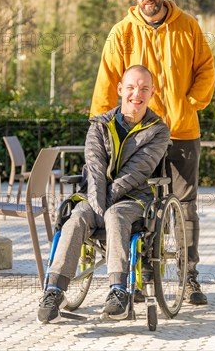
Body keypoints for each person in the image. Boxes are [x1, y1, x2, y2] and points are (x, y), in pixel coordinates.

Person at [90, 0, 215, 306]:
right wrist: (101, 128)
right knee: (141, 204)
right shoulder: (121, 32)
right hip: (139, 136)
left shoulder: (188, 26)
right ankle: (144, 278)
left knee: (185, 207)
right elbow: (107, 82)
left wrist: (193, 101)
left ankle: (189, 279)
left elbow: (206, 67)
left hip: (182, 132)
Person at [37, 65, 170, 324]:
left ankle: (119, 291)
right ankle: (54, 290)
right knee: (75, 219)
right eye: (131, 87)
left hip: (134, 198)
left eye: (144, 88)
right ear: (120, 89)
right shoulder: (99, 125)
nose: (136, 94)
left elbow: (137, 171)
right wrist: (98, 202)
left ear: (152, 92)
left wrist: (106, 205)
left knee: (115, 216)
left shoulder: (158, 131)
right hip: (95, 196)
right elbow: (95, 166)